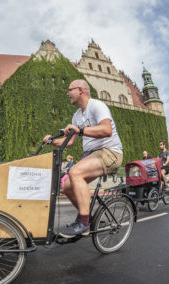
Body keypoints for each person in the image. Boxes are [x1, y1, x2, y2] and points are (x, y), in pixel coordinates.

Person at [43, 79, 123, 238]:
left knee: (75, 172)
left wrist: (80, 130)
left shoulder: (97, 105)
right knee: (66, 186)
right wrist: (51, 141)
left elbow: (107, 130)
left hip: (109, 152)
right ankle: (88, 219)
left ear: (80, 90)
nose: (67, 93)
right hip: (91, 155)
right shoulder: (76, 116)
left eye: (69, 90)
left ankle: (84, 222)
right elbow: (70, 142)